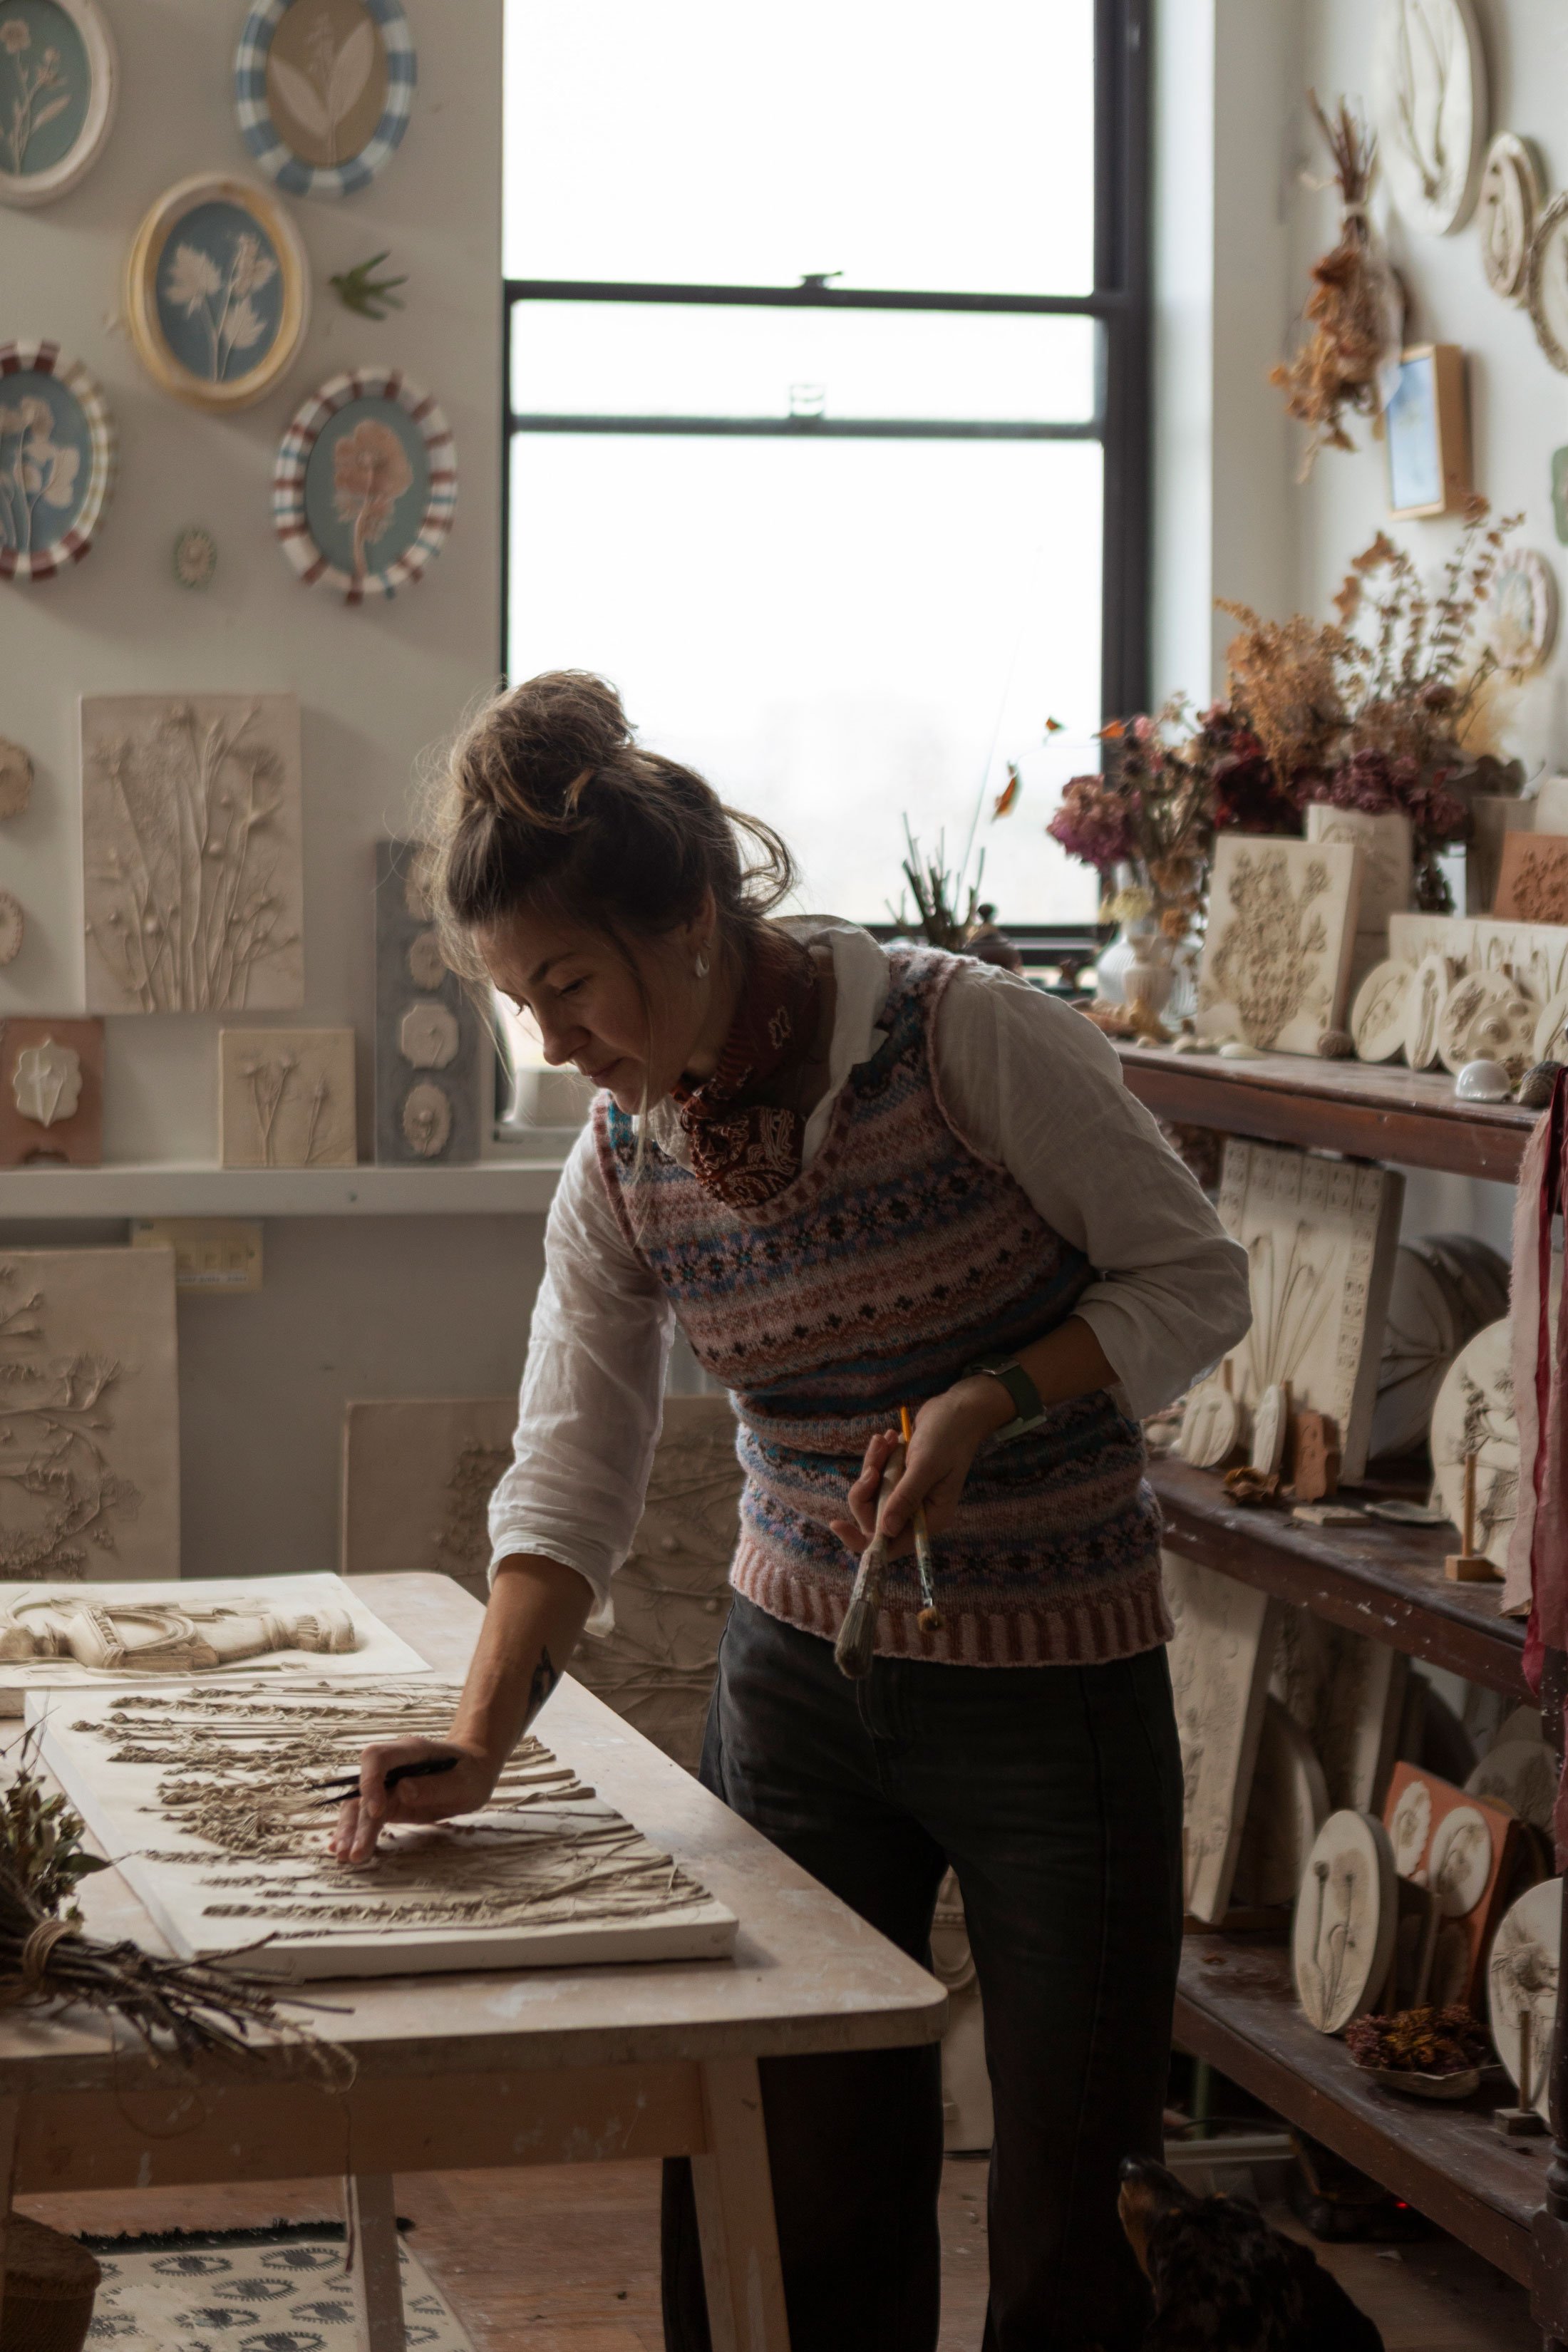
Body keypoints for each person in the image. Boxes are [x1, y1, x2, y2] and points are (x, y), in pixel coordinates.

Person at [334, 671, 1252, 2352]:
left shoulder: (958, 1037)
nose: (553, 1044)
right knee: (785, 2175)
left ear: (685, 920)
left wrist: (995, 1393)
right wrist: (479, 1736)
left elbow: (1196, 1281)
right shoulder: (620, 1159)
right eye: (514, 1005)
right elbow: (569, 1472)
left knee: (1073, 2201)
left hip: (1057, 1690)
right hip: (797, 1694)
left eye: (568, 986)